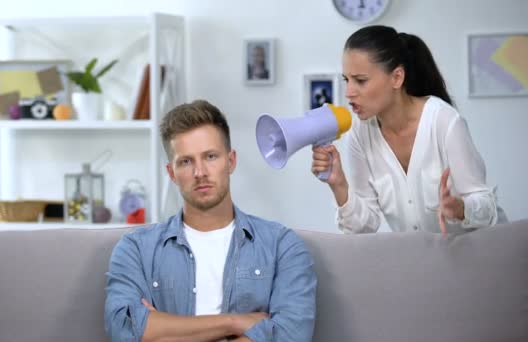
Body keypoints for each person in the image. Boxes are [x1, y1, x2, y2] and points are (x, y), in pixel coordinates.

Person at [106, 100, 317, 341]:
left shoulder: (281, 246)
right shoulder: (136, 249)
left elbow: (291, 335)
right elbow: (124, 331)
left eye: (210, 156)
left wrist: (164, 331)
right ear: (172, 173)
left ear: (231, 161)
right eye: (186, 161)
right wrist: (236, 322)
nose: (200, 172)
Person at [311, 25, 507, 235]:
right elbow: (364, 226)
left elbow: (486, 206)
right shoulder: (360, 132)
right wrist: (339, 184)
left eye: (360, 81)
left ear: (397, 77)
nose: (349, 92)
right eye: (346, 80)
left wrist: (461, 209)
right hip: (423, 258)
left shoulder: (444, 121)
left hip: (484, 253)